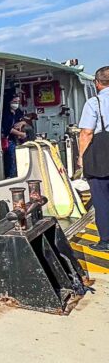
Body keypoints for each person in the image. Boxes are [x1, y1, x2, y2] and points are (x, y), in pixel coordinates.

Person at [78, 65, 109, 251]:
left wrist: (81, 157)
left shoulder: (94, 103)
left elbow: (86, 133)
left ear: (97, 83)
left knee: (101, 199)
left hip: (100, 157)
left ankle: (106, 240)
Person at [1, 91, 26, 177]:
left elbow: (23, 120)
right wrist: (21, 134)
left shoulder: (17, 111)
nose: (16, 104)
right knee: (12, 159)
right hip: (8, 140)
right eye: (14, 102)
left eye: (18, 102)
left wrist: (21, 123)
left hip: (17, 139)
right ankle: (11, 176)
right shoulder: (5, 114)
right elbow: (8, 129)